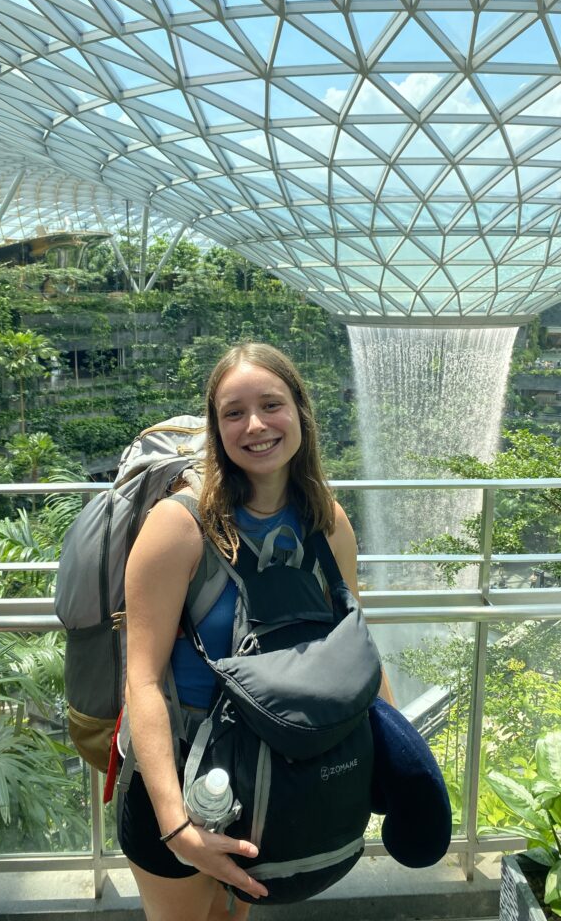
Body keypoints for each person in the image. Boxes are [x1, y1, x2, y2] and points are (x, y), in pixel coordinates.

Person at [118, 343, 393, 921]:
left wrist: (398, 763)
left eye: (271, 404)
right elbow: (140, 682)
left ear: (300, 412)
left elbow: (357, 649)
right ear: (217, 429)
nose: (256, 425)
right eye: (233, 412)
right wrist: (177, 828)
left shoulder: (326, 522)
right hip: (184, 784)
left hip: (273, 776)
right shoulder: (179, 526)